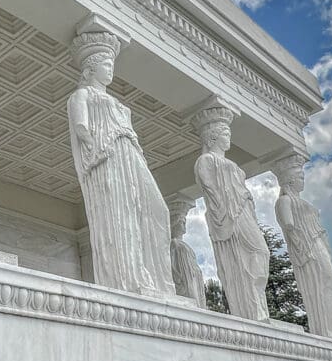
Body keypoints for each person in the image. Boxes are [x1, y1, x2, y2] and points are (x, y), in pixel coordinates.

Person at [67, 30, 175, 296]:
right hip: (109, 160)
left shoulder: (118, 104)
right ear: (91, 68)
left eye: (112, 64)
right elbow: (82, 130)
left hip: (131, 157)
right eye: (106, 64)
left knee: (156, 209)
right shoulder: (81, 96)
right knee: (121, 216)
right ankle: (130, 278)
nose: (110, 69)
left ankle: (156, 280)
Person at [192, 106, 269, 321]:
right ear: (212, 137)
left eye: (228, 132)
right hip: (230, 216)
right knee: (249, 254)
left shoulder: (231, 165)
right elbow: (213, 193)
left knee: (261, 253)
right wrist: (226, 216)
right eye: (225, 133)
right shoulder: (206, 161)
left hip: (244, 211)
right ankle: (249, 309)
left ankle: (258, 306)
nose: (229, 137)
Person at [274, 154, 332, 337]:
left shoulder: (300, 201)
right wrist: (301, 247)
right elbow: (288, 225)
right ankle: (326, 330)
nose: (302, 181)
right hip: (308, 247)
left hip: (318, 242)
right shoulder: (285, 200)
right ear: (290, 179)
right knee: (323, 281)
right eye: (299, 177)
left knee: (331, 281)